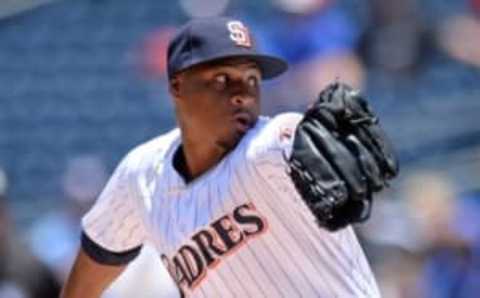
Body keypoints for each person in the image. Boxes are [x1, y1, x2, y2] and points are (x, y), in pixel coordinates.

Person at [61, 17, 395, 298]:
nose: (242, 95)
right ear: (177, 86)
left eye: (251, 79)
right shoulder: (140, 177)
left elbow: (289, 137)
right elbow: (97, 254)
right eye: (223, 79)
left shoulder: (270, 148)